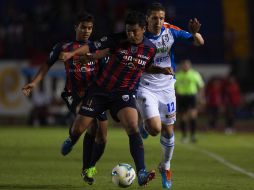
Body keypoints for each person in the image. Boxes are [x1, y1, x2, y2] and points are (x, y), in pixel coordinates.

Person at [60, 11, 174, 186]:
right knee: (78, 130)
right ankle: (72, 139)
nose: (130, 34)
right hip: (100, 91)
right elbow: (92, 47)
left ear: (143, 29)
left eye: (134, 31)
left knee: (132, 127)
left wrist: (161, 70)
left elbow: (147, 67)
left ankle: (142, 172)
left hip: (123, 93)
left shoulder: (150, 48)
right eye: (128, 30)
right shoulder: (117, 39)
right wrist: (71, 54)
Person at [22, 12, 108, 185]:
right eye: (83, 27)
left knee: (103, 137)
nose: (86, 31)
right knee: (87, 126)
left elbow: (106, 73)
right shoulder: (63, 47)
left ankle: (88, 168)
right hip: (73, 94)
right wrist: (34, 83)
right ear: (75, 27)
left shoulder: (97, 49)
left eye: (90, 28)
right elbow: (47, 64)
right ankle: (73, 139)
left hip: (95, 95)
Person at [135, 2, 204, 189]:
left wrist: (195, 32)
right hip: (146, 85)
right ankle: (145, 124)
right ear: (147, 18)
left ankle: (165, 166)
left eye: (161, 18)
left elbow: (199, 42)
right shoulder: (139, 34)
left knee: (168, 131)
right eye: (155, 18)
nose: (158, 21)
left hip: (167, 87)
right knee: (155, 129)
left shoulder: (170, 31)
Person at [175, 59, 205, 143]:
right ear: (182, 66)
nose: (185, 66)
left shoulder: (194, 74)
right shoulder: (178, 75)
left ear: (190, 66)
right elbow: (173, 88)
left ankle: (193, 135)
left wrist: (201, 97)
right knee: (183, 117)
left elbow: (201, 86)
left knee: (193, 115)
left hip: (192, 96)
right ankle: (184, 136)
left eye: (187, 65)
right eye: (184, 65)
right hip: (181, 97)